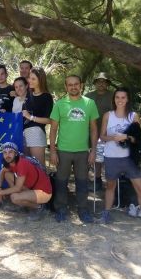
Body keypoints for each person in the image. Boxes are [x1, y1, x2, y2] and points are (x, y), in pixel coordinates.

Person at [99, 88, 141, 230]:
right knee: (110, 186)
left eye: (123, 97)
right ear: (114, 99)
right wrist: (113, 138)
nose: (120, 100)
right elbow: (102, 136)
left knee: (139, 188)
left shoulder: (133, 116)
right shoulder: (107, 116)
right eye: (117, 97)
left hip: (129, 158)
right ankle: (106, 213)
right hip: (111, 157)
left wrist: (126, 137)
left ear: (127, 99)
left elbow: (138, 139)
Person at [49, 74, 99, 223]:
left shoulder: (89, 103)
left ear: (81, 85)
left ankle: (83, 210)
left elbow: (94, 130)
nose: (73, 87)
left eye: (76, 84)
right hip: (63, 150)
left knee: (82, 182)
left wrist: (93, 151)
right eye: (70, 85)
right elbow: (53, 130)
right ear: (66, 87)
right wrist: (53, 151)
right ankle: (61, 209)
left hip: (83, 151)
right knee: (61, 181)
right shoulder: (60, 104)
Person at [0, 142, 52, 221]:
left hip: (44, 192)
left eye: (10, 152)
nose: (7, 155)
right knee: (7, 174)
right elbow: (2, 172)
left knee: (14, 197)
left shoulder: (22, 163)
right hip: (31, 188)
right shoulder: (11, 161)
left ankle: (40, 207)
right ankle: (23, 204)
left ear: (16, 153)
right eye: (5, 152)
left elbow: (17, 188)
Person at [85, 72, 114, 188]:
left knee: (108, 156)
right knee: (90, 155)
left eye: (104, 81)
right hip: (89, 130)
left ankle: (112, 180)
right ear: (95, 83)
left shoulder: (113, 96)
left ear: (107, 83)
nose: (101, 84)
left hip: (107, 132)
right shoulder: (88, 96)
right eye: (99, 81)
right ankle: (95, 180)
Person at [21, 68, 53, 166]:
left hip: (36, 133)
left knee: (39, 167)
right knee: (27, 168)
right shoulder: (28, 95)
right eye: (29, 78)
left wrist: (31, 117)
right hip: (24, 134)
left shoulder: (47, 97)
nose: (30, 81)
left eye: (33, 79)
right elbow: (23, 114)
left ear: (41, 80)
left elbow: (49, 120)